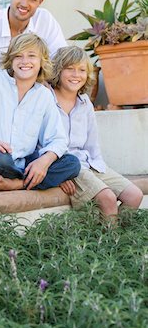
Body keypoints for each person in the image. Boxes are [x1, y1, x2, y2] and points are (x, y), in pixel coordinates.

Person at [0, 33, 80, 192]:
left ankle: (17, 184)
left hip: (14, 165)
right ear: (11, 60)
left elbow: (58, 139)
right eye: (18, 56)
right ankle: (30, 180)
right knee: (0, 158)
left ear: (41, 62)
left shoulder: (44, 95)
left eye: (31, 56)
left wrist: (44, 163)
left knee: (72, 163)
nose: (25, 61)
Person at [51, 46, 143, 220]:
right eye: (69, 69)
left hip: (89, 163)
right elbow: (40, 141)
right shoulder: (46, 97)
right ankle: (109, 245)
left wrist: (99, 168)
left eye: (81, 70)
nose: (76, 75)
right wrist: (58, 174)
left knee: (134, 195)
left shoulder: (85, 101)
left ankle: (116, 237)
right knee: (107, 198)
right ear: (58, 70)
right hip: (66, 165)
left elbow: (92, 143)